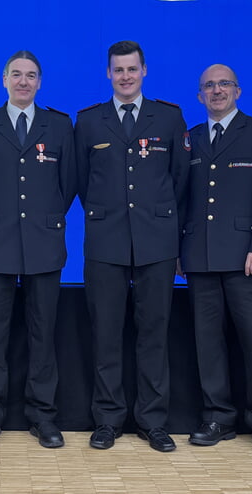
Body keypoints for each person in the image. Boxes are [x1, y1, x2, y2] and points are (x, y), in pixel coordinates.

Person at [74, 40, 190, 451]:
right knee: (106, 335)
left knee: (154, 335)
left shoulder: (170, 117)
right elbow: (83, 182)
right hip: (105, 243)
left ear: (144, 71)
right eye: (118, 70)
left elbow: (179, 180)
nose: (125, 76)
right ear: (108, 74)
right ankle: (107, 420)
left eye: (132, 69)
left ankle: (153, 421)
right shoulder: (88, 121)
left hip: (157, 243)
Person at [0, 51, 76, 449]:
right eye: (17, 75)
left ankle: (42, 416)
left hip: (44, 242)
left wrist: (40, 218)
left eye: (31, 76)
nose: (24, 82)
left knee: (42, 334)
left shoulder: (60, 126)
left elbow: (68, 185)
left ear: (40, 82)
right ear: (4, 80)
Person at [179, 64, 252, 455]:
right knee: (208, 344)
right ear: (199, 96)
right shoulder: (188, 139)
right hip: (200, 256)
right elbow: (180, 199)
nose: (217, 90)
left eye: (224, 84)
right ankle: (217, 418)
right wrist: (179, 250)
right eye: (208, 86)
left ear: (238, 91)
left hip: (248, 258)